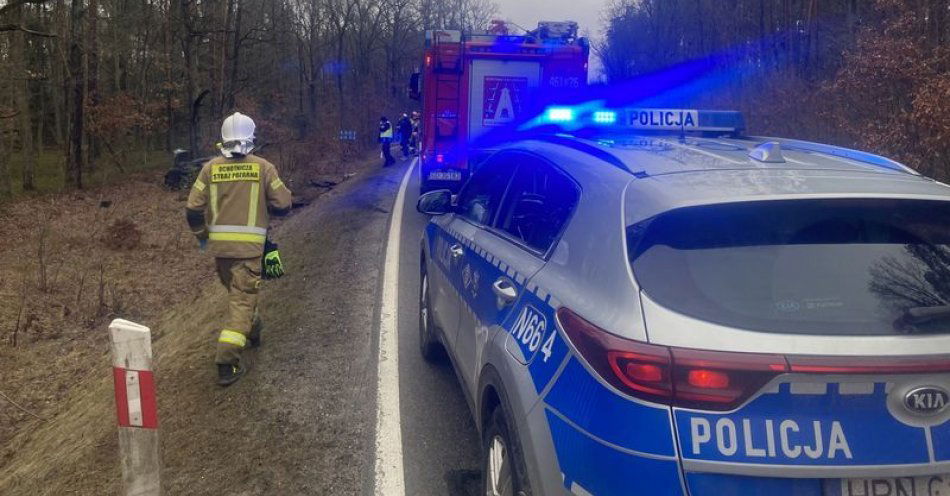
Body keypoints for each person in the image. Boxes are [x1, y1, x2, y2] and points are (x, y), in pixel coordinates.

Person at [185, 111, 292, 386]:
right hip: (248, 252)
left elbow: (193, 209)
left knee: (240, 297)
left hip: (221, 253)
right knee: (241, 304)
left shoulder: (210, 168)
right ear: (251, 138)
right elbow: (284, 204)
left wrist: (202, 235)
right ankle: (226, 362)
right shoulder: (263, 167)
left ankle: (253, 329)